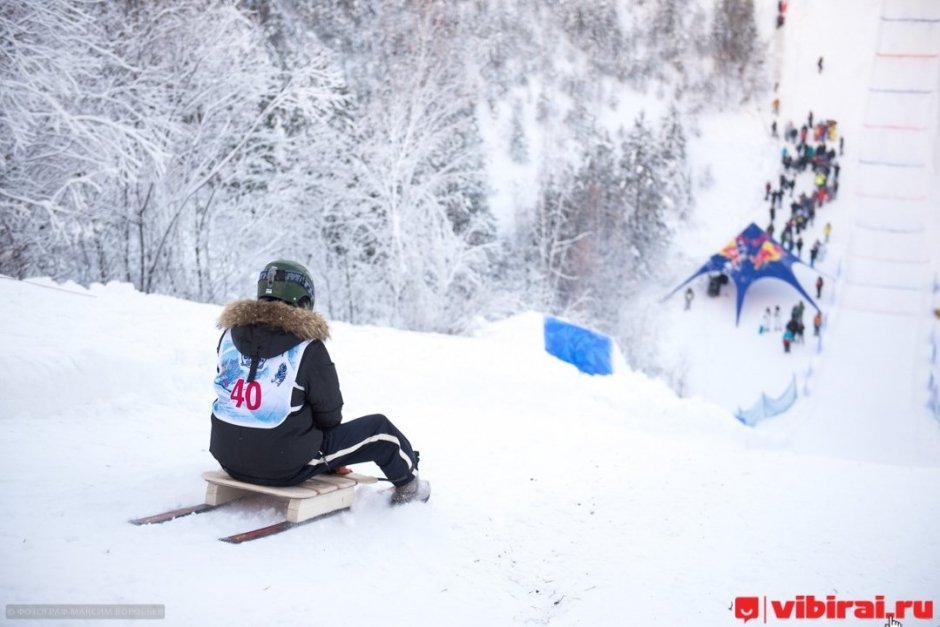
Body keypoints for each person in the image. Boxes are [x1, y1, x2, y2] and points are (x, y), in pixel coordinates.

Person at [209, 259, 430, 504]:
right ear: (304, 301)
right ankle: (410, 488)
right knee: (381, 431)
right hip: (284, 465)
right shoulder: (307, 346)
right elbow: (329, 413)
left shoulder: (228, 336)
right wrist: (329, 457)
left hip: (227, 457)